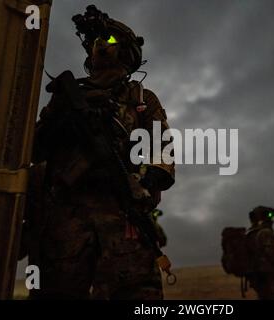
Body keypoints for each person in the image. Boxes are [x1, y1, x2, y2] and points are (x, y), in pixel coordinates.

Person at [24, 5, 175, 300]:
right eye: (96, 43)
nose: (101, 48)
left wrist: (150, 181)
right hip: (66, 212)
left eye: (109, 42)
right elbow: (34, 148)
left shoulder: (140, 97)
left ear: (127, 52)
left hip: (122, 208)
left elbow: (162, 147)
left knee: (135, 292)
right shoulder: (67, 96)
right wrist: (57, 127)